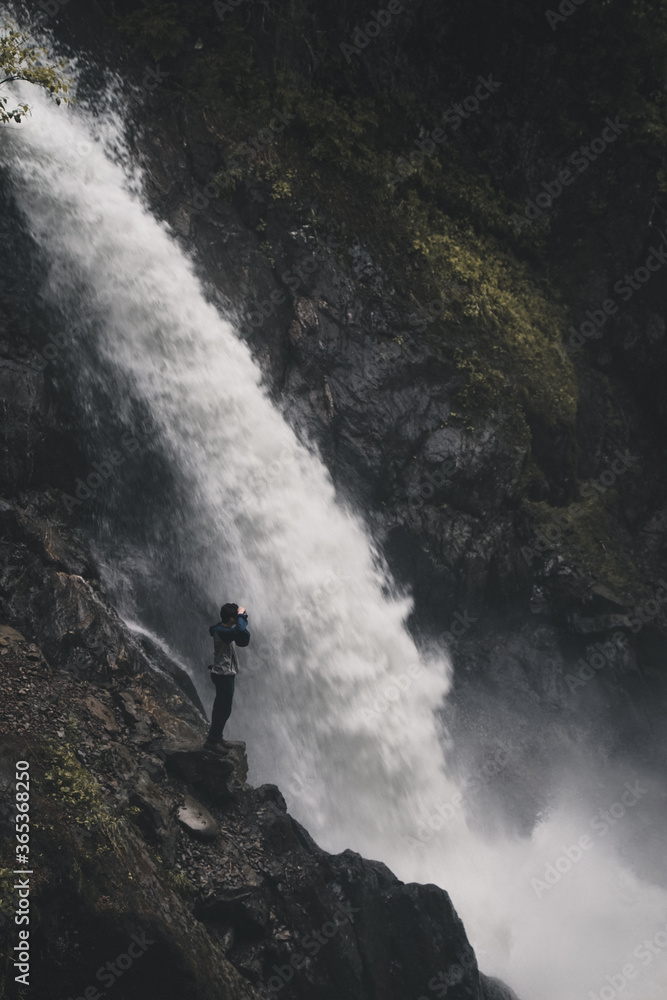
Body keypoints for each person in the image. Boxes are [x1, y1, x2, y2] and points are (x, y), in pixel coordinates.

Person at [203, 602, 250, 752]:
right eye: (236, 617)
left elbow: (242, 634)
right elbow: (240, 630)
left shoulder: (223, 630)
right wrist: (242, 614)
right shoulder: (223, 632)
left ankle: (217, 737)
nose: (238, 619)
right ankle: (212, 742)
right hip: (223, 675)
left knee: (221, 709)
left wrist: (242, 616)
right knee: (223, 710)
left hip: (224, 674)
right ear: (231, 619)